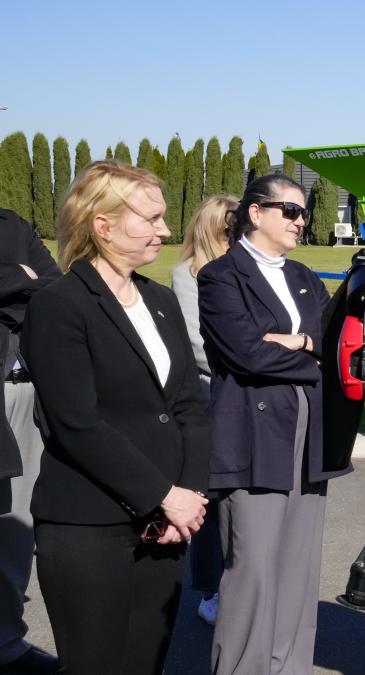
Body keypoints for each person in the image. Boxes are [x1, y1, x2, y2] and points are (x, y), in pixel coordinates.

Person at [20, 161, 210, 675]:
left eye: (164, 217)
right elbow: (75, 423)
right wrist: (165, 497)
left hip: (167, 525)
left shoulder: (162, 300)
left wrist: (187, 498)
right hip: (88, 525)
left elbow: (190, 405)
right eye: (150, 218)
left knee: (148, 663)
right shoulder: (59, 305)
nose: (166, 230)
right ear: (102, 225)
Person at [199, 174, 350, 675]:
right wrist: (311, 351)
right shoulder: (221, 276)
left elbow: (332, 344)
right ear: (255, 213)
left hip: (310, 435)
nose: (301, 221)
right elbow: (246, 354)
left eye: (303, 212)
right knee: (254, 571)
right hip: (252, 435)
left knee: (298, 572)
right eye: (290, 210)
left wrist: (300, 343)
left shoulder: (305, 276)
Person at [171, 194, 237, 627]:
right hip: (211, 396)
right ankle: (212, 591)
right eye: (232, 229)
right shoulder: (187, 274)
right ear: (215, 231)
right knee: (210, 501)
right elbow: (198, 343)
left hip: (241, 394)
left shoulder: (238, 273)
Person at [0, 209, 61, 674]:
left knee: (16, 522)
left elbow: (54, 284)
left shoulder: (11, 224)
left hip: (24, 388)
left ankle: (6, 640)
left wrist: (19, 281)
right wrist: (18, 278)